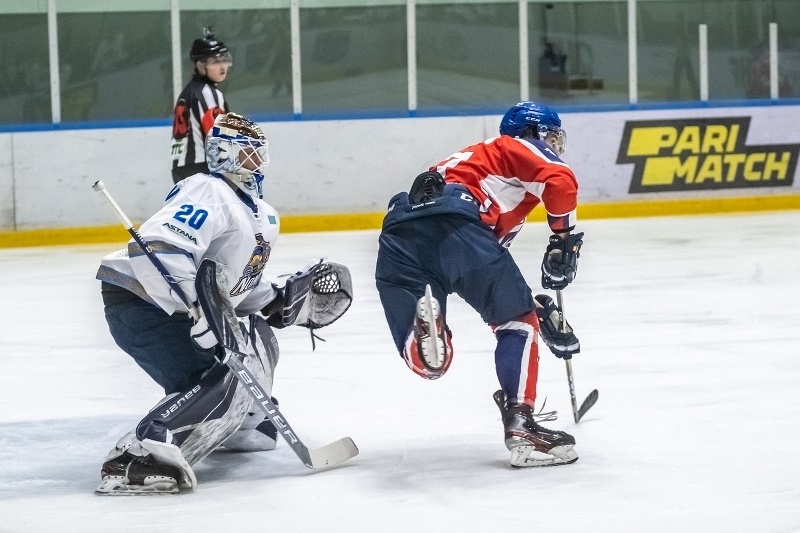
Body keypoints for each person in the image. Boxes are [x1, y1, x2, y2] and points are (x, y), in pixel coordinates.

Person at [95, 112, 352, 494]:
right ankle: (140, 454)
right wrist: (197, 313)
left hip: (181, 307)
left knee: (257, 343)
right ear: (225, 153)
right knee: (223, 379)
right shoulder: (207, 189)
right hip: (144, 302)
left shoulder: (260, 213)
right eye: (249, 153)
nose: (258, 160)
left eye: (259, 153)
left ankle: (243, 423)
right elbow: (164, 250)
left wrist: (276, 300)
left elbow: (233, 282)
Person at [375, 101, 584, 468]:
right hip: (457, 223)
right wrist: (563, 240)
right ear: (532, 134)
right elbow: (560, 179)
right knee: (516, 324)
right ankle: (521, 427)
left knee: (430, 363)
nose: (553, 146)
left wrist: (536, 306)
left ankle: (424, 334)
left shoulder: (471, 166)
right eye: (550, 138)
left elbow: (470, 269)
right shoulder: (511, 147)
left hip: (398, 236)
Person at [170, 27, 232, 184]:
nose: (223, 66)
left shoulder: (188, 92)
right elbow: (216, 136)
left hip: (181, 170)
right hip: (203, 170)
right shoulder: (207, 93)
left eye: (224, 60)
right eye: (216, 61)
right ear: (200, 65)